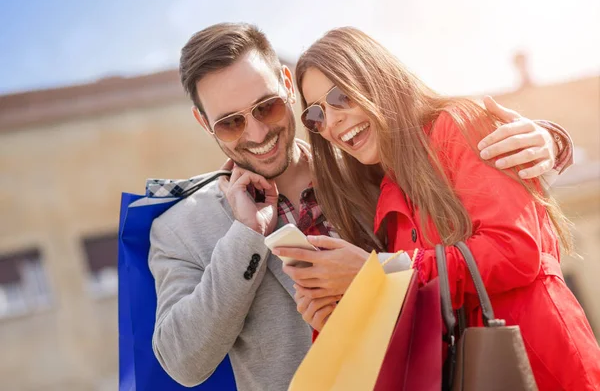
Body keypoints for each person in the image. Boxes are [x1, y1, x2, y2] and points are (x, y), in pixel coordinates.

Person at [148, 23, 574, 390]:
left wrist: (550, 142)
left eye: (267, 106)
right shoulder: (181, 227)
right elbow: (184, 362)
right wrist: (245, 236)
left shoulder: (363, 163)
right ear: (205, 122)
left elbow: (442, 164)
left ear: (285, 83)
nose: (257, 132)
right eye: (231, 121)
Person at [277, 26, 600, 390]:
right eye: (316, 116)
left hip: (544, 364)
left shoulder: (456, 124)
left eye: (340, 96)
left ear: (377, 77)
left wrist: (380, 275)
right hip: (468, 374)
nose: (331, 122)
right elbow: (418, 306)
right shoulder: (382, 193)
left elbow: (515, 249)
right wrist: (336, 312)